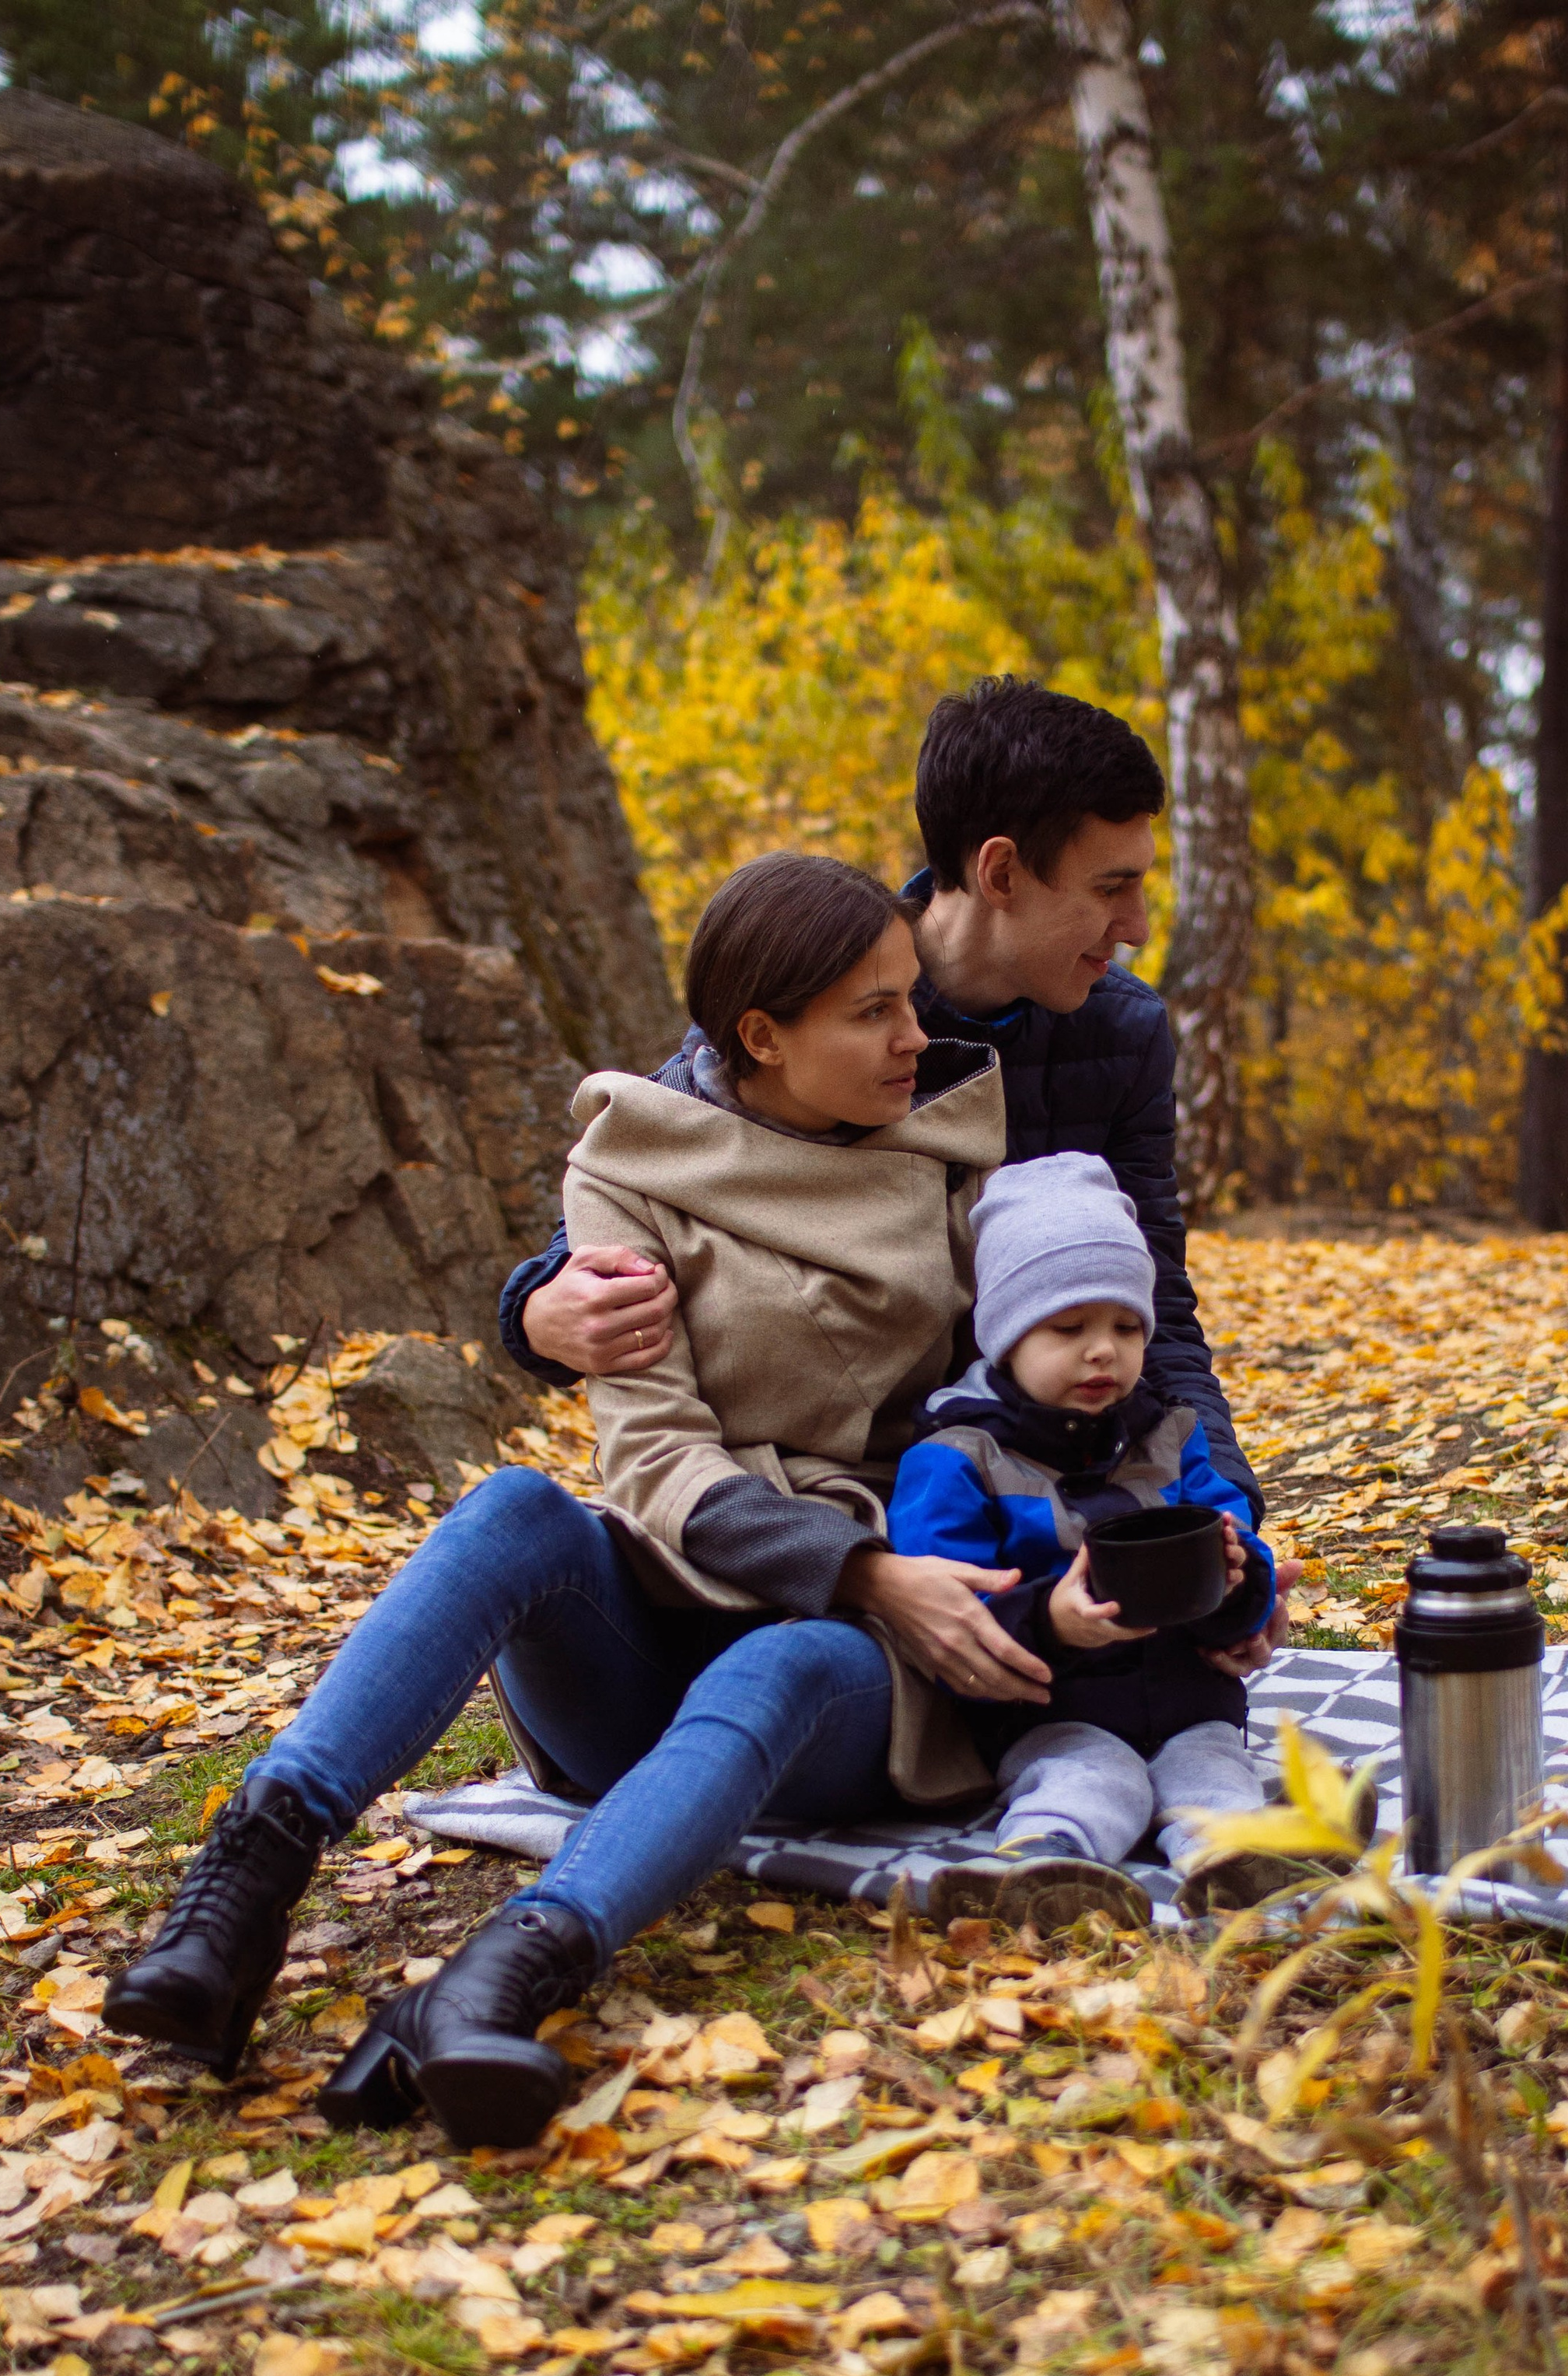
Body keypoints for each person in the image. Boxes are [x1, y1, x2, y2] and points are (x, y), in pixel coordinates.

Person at [106, 852, 1041, 2152]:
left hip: (870, 1658)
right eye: (873, 1011)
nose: (915, 1035)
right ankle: (240, 1895)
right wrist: (856, 1566)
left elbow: (1054, 1382)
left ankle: (499, 1982)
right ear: (760, 1038)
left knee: (785, 1657)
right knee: (511, 1511)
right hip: (679, 1630)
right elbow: (651, 1465)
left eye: (910, 998)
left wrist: (921, 1572)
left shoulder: (957, 1156)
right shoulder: (633, 1168)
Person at [502, 681, 1288, 1685]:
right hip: (848, 1501)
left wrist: (1224, 1525)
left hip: (1050, 1480)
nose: (1135, 923)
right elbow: (672, 1171)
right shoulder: (824, 979)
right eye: (1109, 887)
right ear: (1001, 869)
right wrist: (536, 1311)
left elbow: (1154, 1304)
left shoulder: (1122, 1033)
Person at [887, 1154, 1292, 1933]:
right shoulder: (957, 1457)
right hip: (1050, 1705)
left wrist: (1239, 1584)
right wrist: (1052, 1623)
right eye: (1068, 1327)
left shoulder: (1171, 1433)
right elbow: (948, 1619)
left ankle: (1238, 1863)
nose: (1102, 1349)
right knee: (1095, 1778)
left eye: (1125, 1325)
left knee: (1211, 1770)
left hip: (1184, 1694)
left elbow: (1240, 1582)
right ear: (1004, 1338)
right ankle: (1041, 1866)